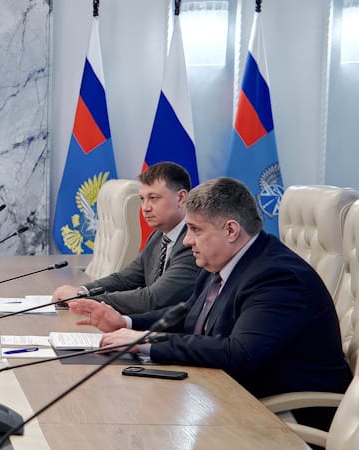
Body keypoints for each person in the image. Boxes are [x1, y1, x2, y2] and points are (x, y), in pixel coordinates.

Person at [69, 177, 351, 426]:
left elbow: (239, 353)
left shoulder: (277, 277)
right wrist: (126, 322)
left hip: (285, 418)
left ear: (230, 230)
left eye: (195, 230)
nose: (187, 241)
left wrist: (147, 341)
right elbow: (188, 315)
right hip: (228, 395)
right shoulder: (220, 263)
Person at [52, 161, 198, 313]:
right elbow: (125, 279)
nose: (145, 208)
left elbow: (154, 299)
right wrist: (82, 290)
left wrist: (83, 300)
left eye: (154, 198)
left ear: (180, 198)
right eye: (142, 199)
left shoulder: (193, 242)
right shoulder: (159, 236)